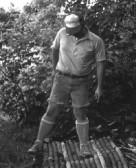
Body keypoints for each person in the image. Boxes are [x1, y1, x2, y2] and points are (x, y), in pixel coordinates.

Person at [28, 11, 106, 158]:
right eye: (69, 30)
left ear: (82, 25)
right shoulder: (62, 33)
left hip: (81, 82)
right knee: (52, 110)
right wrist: (54, 69)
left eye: (74, 31)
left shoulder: (96, 41)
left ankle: (83, 146)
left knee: (80, 113)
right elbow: (55, 49)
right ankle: (38, 142)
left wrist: (99, 87)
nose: (71, 33)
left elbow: (101, 64)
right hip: (61, 79)